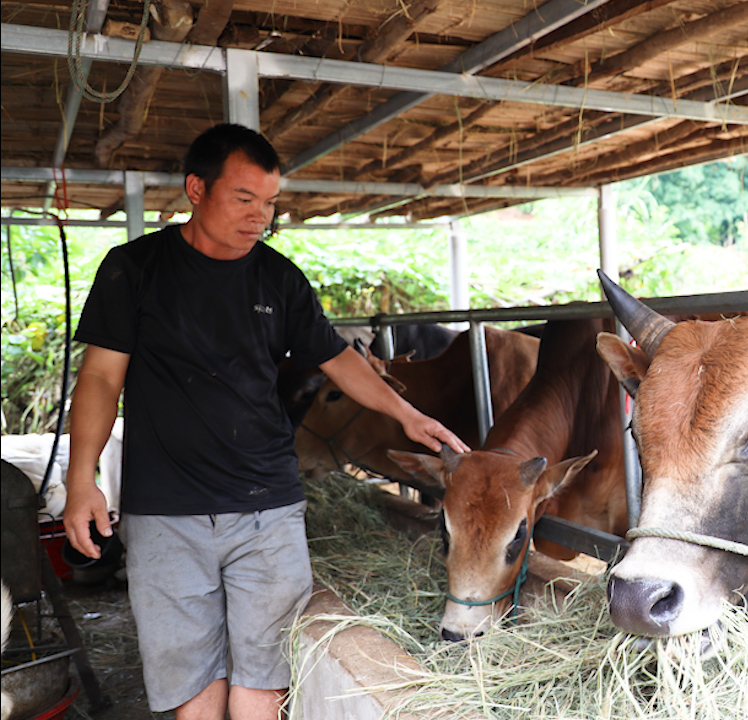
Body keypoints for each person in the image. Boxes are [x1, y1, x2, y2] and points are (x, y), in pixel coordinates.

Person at [62, 123, 470, 720]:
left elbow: (336, 358)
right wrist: (81, 480)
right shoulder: (135, 269)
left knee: (262, 684)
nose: (260, 217)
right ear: (196, 189)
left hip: (267, 511)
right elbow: (100, 378)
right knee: (192, 693)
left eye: (271, 203)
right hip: (165, 512)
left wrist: (407, 414)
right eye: (244, 199)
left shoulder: (279, 280)